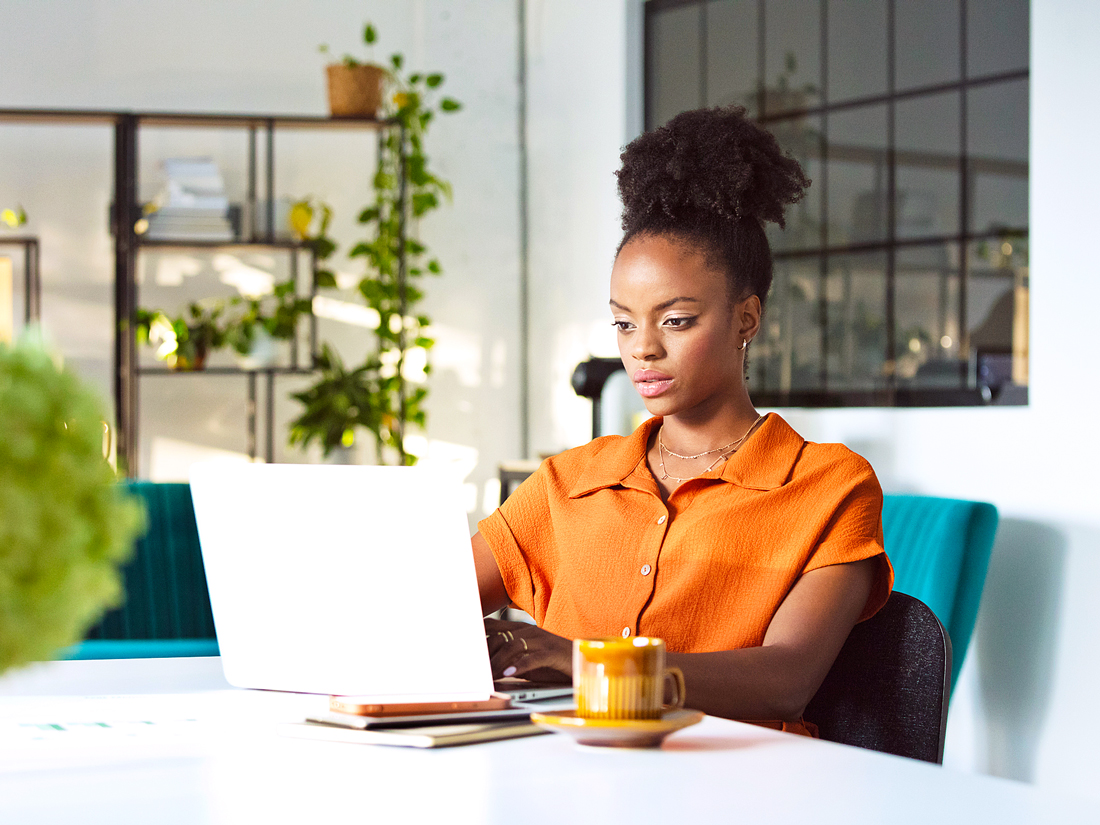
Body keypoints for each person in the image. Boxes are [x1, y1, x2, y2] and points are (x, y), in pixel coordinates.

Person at [473, 105, 892, 736]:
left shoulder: (829, 487)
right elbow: (429, 610)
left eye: (675, 320)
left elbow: (786, 680)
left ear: (746, 320)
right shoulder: (569, 483)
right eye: (623, 322)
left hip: (737, 790)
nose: (642, 348)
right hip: (566, 780)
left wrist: (586, 666)